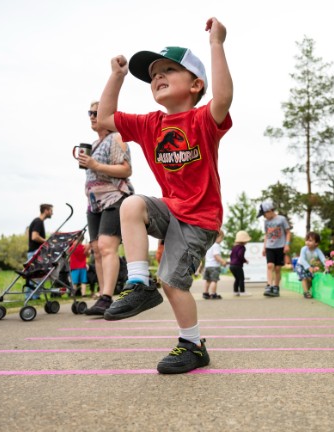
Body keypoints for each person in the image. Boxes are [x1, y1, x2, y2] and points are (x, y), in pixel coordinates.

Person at [96, 17, 233, 374]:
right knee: (132, 203)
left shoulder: (204, 119)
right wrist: (118, 76)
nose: (157, 76)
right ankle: (139, 282)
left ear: (195, 84)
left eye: (169, 70)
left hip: (200, 219)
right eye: (153, 73)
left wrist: (216, 43)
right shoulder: (150, 124)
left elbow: (225, 96)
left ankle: (193, 345)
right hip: (171, 209)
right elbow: (105, 117)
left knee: (173, 283)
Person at [78, 101, 134, 315]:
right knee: (96, 250)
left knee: (106, 246)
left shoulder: (117, 137)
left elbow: (126, 169)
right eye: (89, 112)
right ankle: (103, 295)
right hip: (94, 202)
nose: (92, 116)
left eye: (96, 113)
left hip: (114, 197)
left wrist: (95, 165)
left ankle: (107, 297)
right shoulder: (94, 142)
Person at [258, 199, 291, 297]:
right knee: (270, 266)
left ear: (270, 210)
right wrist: (264, 247)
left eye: (264, 214)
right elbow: (267, 234)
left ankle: (276, 287)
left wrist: (287, 244)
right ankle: (269, 285)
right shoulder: (266, 222)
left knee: (277, 268)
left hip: (280, 247)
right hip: (270, 247)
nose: (264, 216)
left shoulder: (282, 219)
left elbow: (288, 232)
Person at [296, 231, 326, 299]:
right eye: (306, 240)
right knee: (304, 277)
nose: (307, 242)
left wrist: (327, 265)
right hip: (301, 265)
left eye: (310, 241)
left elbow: (323, 259)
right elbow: (302, 259)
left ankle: (306, 290)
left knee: (310, 279)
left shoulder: (318, 250)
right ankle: (306, 292)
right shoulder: (304, 249)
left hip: (310, 266)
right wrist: (308, 267)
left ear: (316, 243)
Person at [202, 229, 226, 299]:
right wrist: (223, 262)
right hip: (214, 267)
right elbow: (216, 256)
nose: (221, 240)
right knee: (214, 281)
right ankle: (213, 294)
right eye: (221, 238)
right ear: (217, 237)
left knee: (208, 280)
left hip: (207, 266)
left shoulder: (209, 246)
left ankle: (205, 293)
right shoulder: (216, 245)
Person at [230, 230, 251, 296]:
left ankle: (235, 291)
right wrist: (245, 261)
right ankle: (242, 292)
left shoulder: (234, 247)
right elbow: (240, 255)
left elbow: (231, 256)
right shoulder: (242, 247)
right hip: (237, 265)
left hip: (231, 265)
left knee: (237, 278)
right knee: (241, 278)